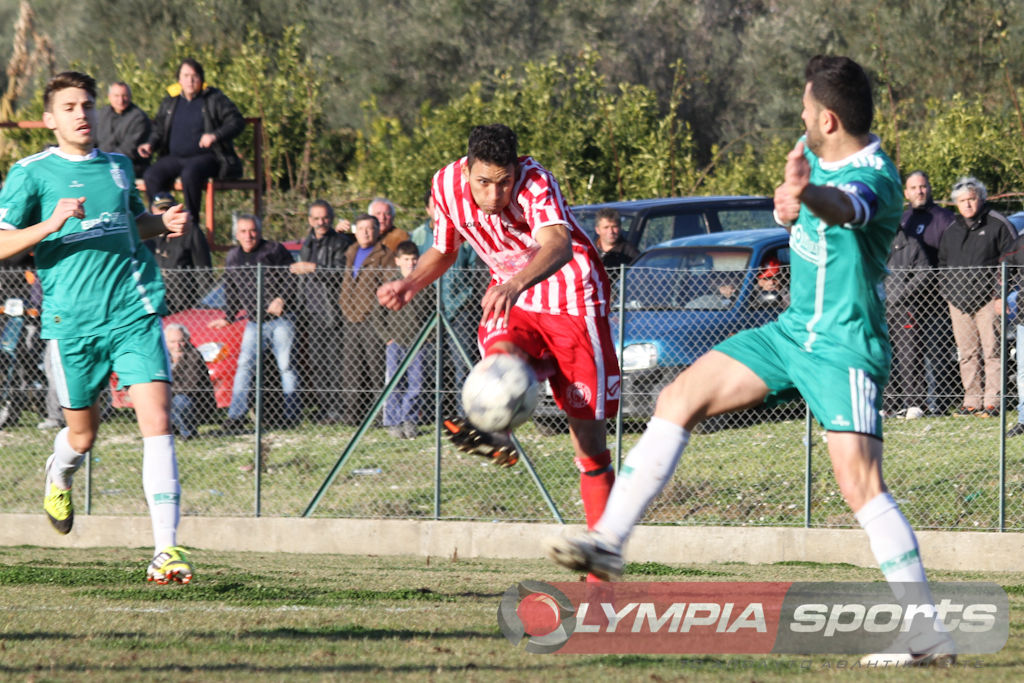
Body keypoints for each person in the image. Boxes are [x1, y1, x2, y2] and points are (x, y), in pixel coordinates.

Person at [545, 56, 956, 666]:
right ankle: (609, 542)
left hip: (843, 346)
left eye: (805, 111)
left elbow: (846, 207)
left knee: (861, 487)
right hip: (790, 332)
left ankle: (925, 631)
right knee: (676, 398)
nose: (800, 117)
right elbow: (795, 211)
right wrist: (787, 206)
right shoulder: (811, 147)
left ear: (830, 119)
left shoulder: (878, 175)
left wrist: (804, 195)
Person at [378, 124, 620, 583]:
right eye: (483, 182)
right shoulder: (445, 186)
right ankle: (499, 430)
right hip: (516, 299)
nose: (494, 194)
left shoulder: (536, 181)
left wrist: (514, 281)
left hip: (573, 298)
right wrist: (410, 284)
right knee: (499, 359)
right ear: (466, 169)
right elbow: (444, 251)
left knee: (588, 445)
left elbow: (559, 244)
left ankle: (601, 566)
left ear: (516, 171)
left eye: (503, 182)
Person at [0, 71, 193, 584]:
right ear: (50, 119)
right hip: (72, 324)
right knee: (83, 437)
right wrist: (48, 225)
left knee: (157, 418)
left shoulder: (118, 167)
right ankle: (58, 470)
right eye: (69, 107)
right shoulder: (29, 174)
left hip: (133, 311)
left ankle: (165, 552)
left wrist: (163, 225)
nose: (81, 114)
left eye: (87, 105)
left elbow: (134, 226)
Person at [209, 214, 300, 433]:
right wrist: (229, 316)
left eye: (252, 231)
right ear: (236, 234)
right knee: (244, 366)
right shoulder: (233, 257)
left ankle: (291, 416)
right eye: (243, 231)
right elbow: (230, 288)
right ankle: (236, 416)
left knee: (286, 366)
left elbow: (292, 276)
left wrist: (282, 298)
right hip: (254, 322)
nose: (249, 236)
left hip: (281, 320)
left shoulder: (273, 250)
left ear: (259, 231)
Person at [937, 176, 1016, 417]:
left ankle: (993, 402)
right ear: (956, 204)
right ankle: (972, 401)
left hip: (989, 300)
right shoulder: (951, 229)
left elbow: (1011, 261)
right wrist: (948, 293)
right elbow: (941, 264)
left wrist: (1000, 294)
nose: (968, 205)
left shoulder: (998, 224)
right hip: (958, 302)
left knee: (992, 351)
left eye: (971, 199)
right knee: (967, 354)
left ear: (981, 198)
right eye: (962, 201)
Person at [138, 58, 245, 233]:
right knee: (151, 175)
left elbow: (237, 121)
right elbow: (158, 128)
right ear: (179, 80)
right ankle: (164, 221)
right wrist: (150, 144)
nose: (190, 81)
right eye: (186, 76)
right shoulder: (171, 102)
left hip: (208, 157)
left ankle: (191, 225)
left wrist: (215, 135)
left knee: (190, 173)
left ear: (201, 79)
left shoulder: (214, 99)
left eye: (194, 76)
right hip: (174, 158)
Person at [410, 188, 488, 417]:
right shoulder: (419, 236)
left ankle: (465, 414)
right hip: (428, 309)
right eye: (434, 206)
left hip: (460, 308)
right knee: (430, 365)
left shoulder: (463, 233)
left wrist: (468, 298)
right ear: (427, 209)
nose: (438, 210)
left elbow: (475, 267)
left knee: (462, 362)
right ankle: (435, 414)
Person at [892, 171, 956, 417]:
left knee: (936, 353)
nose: (919, 191)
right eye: (914, 187)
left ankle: (937, 404)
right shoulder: (903, 220)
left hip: (936, 299)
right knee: (906, 355)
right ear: (906, 193)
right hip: (905, 302)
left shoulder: (944, 218)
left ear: (929, 188)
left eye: (923, 186)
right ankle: (907, 404)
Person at [290, 199, 351, 424]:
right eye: (316, 218)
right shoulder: (308, 243)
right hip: (310, 312)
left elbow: (340, 273)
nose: (320, 222)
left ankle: (338, 409)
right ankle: (325, 408)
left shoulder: (339, 242)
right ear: (309, 220)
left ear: (331, 218)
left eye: (325, 218)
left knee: (334, 362)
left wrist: (313, 268)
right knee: (317, 363)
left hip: (331, 312)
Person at [339, 214, 393, 425]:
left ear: (378, 231)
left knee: (376, 369)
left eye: (370, 228)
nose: (365, 232)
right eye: (361, 228)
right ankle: (353, 416)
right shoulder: (351, 251)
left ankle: (380, 416)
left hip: (372, 319)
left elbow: (388, 284)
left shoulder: (384, 254)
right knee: (351, 370)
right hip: (351, 318)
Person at [376, 241, 432, 438]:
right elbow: (377, 315)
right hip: (396, 342)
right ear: (398, 261)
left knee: (416, 384)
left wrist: (428, 337)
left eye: (414, 259)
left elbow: (434, 312)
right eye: (406, 259)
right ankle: (393, 422)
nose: (410, 263)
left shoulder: (424, 285)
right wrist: (387, 337)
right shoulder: (391, 284)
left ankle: (409, 420)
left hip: (418, 342)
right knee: (394, 383)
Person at [145, 192, 212, 313]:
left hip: (185, 305)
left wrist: (201, 305)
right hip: (155, 303)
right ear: (153, 210)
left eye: (168, 209)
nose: (165, 214)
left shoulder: (190, 232)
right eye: (161, 209)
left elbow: (204, 271)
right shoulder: (146, 237)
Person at [165, 323, 216, 439]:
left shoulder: (194, 355)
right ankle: (171, 428)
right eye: (172, 342)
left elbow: (189, 386)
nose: (177, 346)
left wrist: (166, 388)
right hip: (171, 394)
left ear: (187, 340)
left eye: (181, 341)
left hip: (196, 401)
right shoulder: (163, 356)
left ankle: (188, 433)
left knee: (180, 400)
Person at [94, 81, 152, 180]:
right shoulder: (101, 114)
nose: (120, 100)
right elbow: (92, 141)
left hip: (128, 165)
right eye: (116, 96)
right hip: (101, 163)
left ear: (130, 97)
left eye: (124, 96)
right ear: (109, 97)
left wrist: (103, 162)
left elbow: (128, 150)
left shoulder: (138, 118)